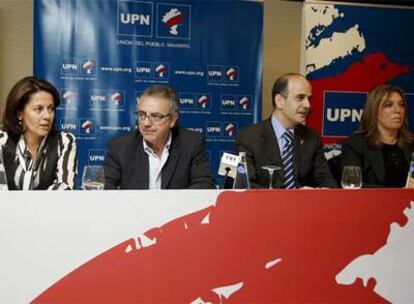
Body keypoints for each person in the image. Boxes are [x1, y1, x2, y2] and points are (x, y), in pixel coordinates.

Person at [235, 73, 337, 188]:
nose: (307, 105)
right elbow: (245, 185)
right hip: (266, 205)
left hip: (303, 205)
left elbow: (327, 182)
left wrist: (314, 193)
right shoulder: (249, 138)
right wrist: (286, 199)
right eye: (300, 98)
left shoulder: (312, 138)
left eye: (309, 99)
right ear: (279, 101)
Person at [104, 85, 216, 189]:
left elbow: (204, 185)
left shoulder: (191, 144)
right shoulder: (120, 147)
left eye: (155, 116)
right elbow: (104, 189)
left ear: (172, 119)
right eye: (142, 115)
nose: (146, 123)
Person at [0, 76, 77, 190]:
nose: (47, 116)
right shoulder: (2, 140)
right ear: (19, 113)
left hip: (50, 208)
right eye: (38, 109)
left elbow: (64, 188)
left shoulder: (64, 141)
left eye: (50, 108)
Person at [340, 84, 414, 187]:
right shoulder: (356, 144)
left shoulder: (411, 143)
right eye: (389, 105)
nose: (398, 110)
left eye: (401, 105)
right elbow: (353, 185)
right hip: (370, 202)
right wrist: (400, 193)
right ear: (374, 110)